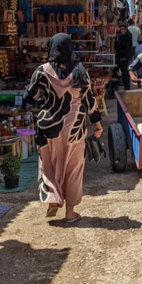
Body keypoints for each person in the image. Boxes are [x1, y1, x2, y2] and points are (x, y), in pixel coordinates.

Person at [25, 33, 102, 223]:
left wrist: (44, 99)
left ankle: (53, 198)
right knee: (73, 168)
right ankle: (70, 213)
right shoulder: (79, 71)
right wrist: (97, 124)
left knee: (48, 165)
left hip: (46, 127)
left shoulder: (41, 71)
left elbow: (29, 97)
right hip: (73, 128)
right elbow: (89, 100)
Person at [114, 24, 134, 91]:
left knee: (125, 74)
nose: (122, 31)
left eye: (123, 29)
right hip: (119, 57)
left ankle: (127, 88)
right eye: (121, 29)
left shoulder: (127, 37)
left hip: (124, 58)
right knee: (115, 72)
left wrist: (127, 58)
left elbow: (128, 49)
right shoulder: (120, 37)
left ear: (126, 30)